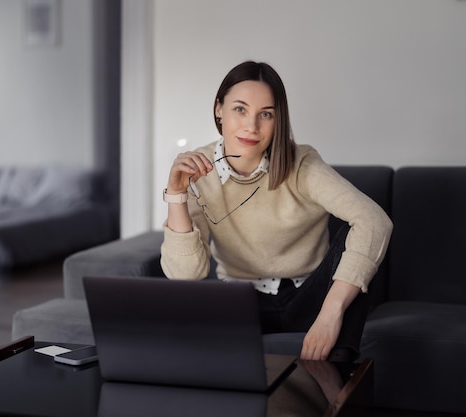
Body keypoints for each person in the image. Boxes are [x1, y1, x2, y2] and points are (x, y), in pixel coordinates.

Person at [160, 61, 392, 362]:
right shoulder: (198, 170)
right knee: (187, 327)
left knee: (357, 250)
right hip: (240, 302)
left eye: (265, 114)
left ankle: (339, 383)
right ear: (219, 109)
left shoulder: (302, 164)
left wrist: (330, 313)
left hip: (309, 297)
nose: (251, 126)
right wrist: (177, 193)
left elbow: (375, 220)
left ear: (278, 119)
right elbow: (186, 275)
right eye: (240, 109)